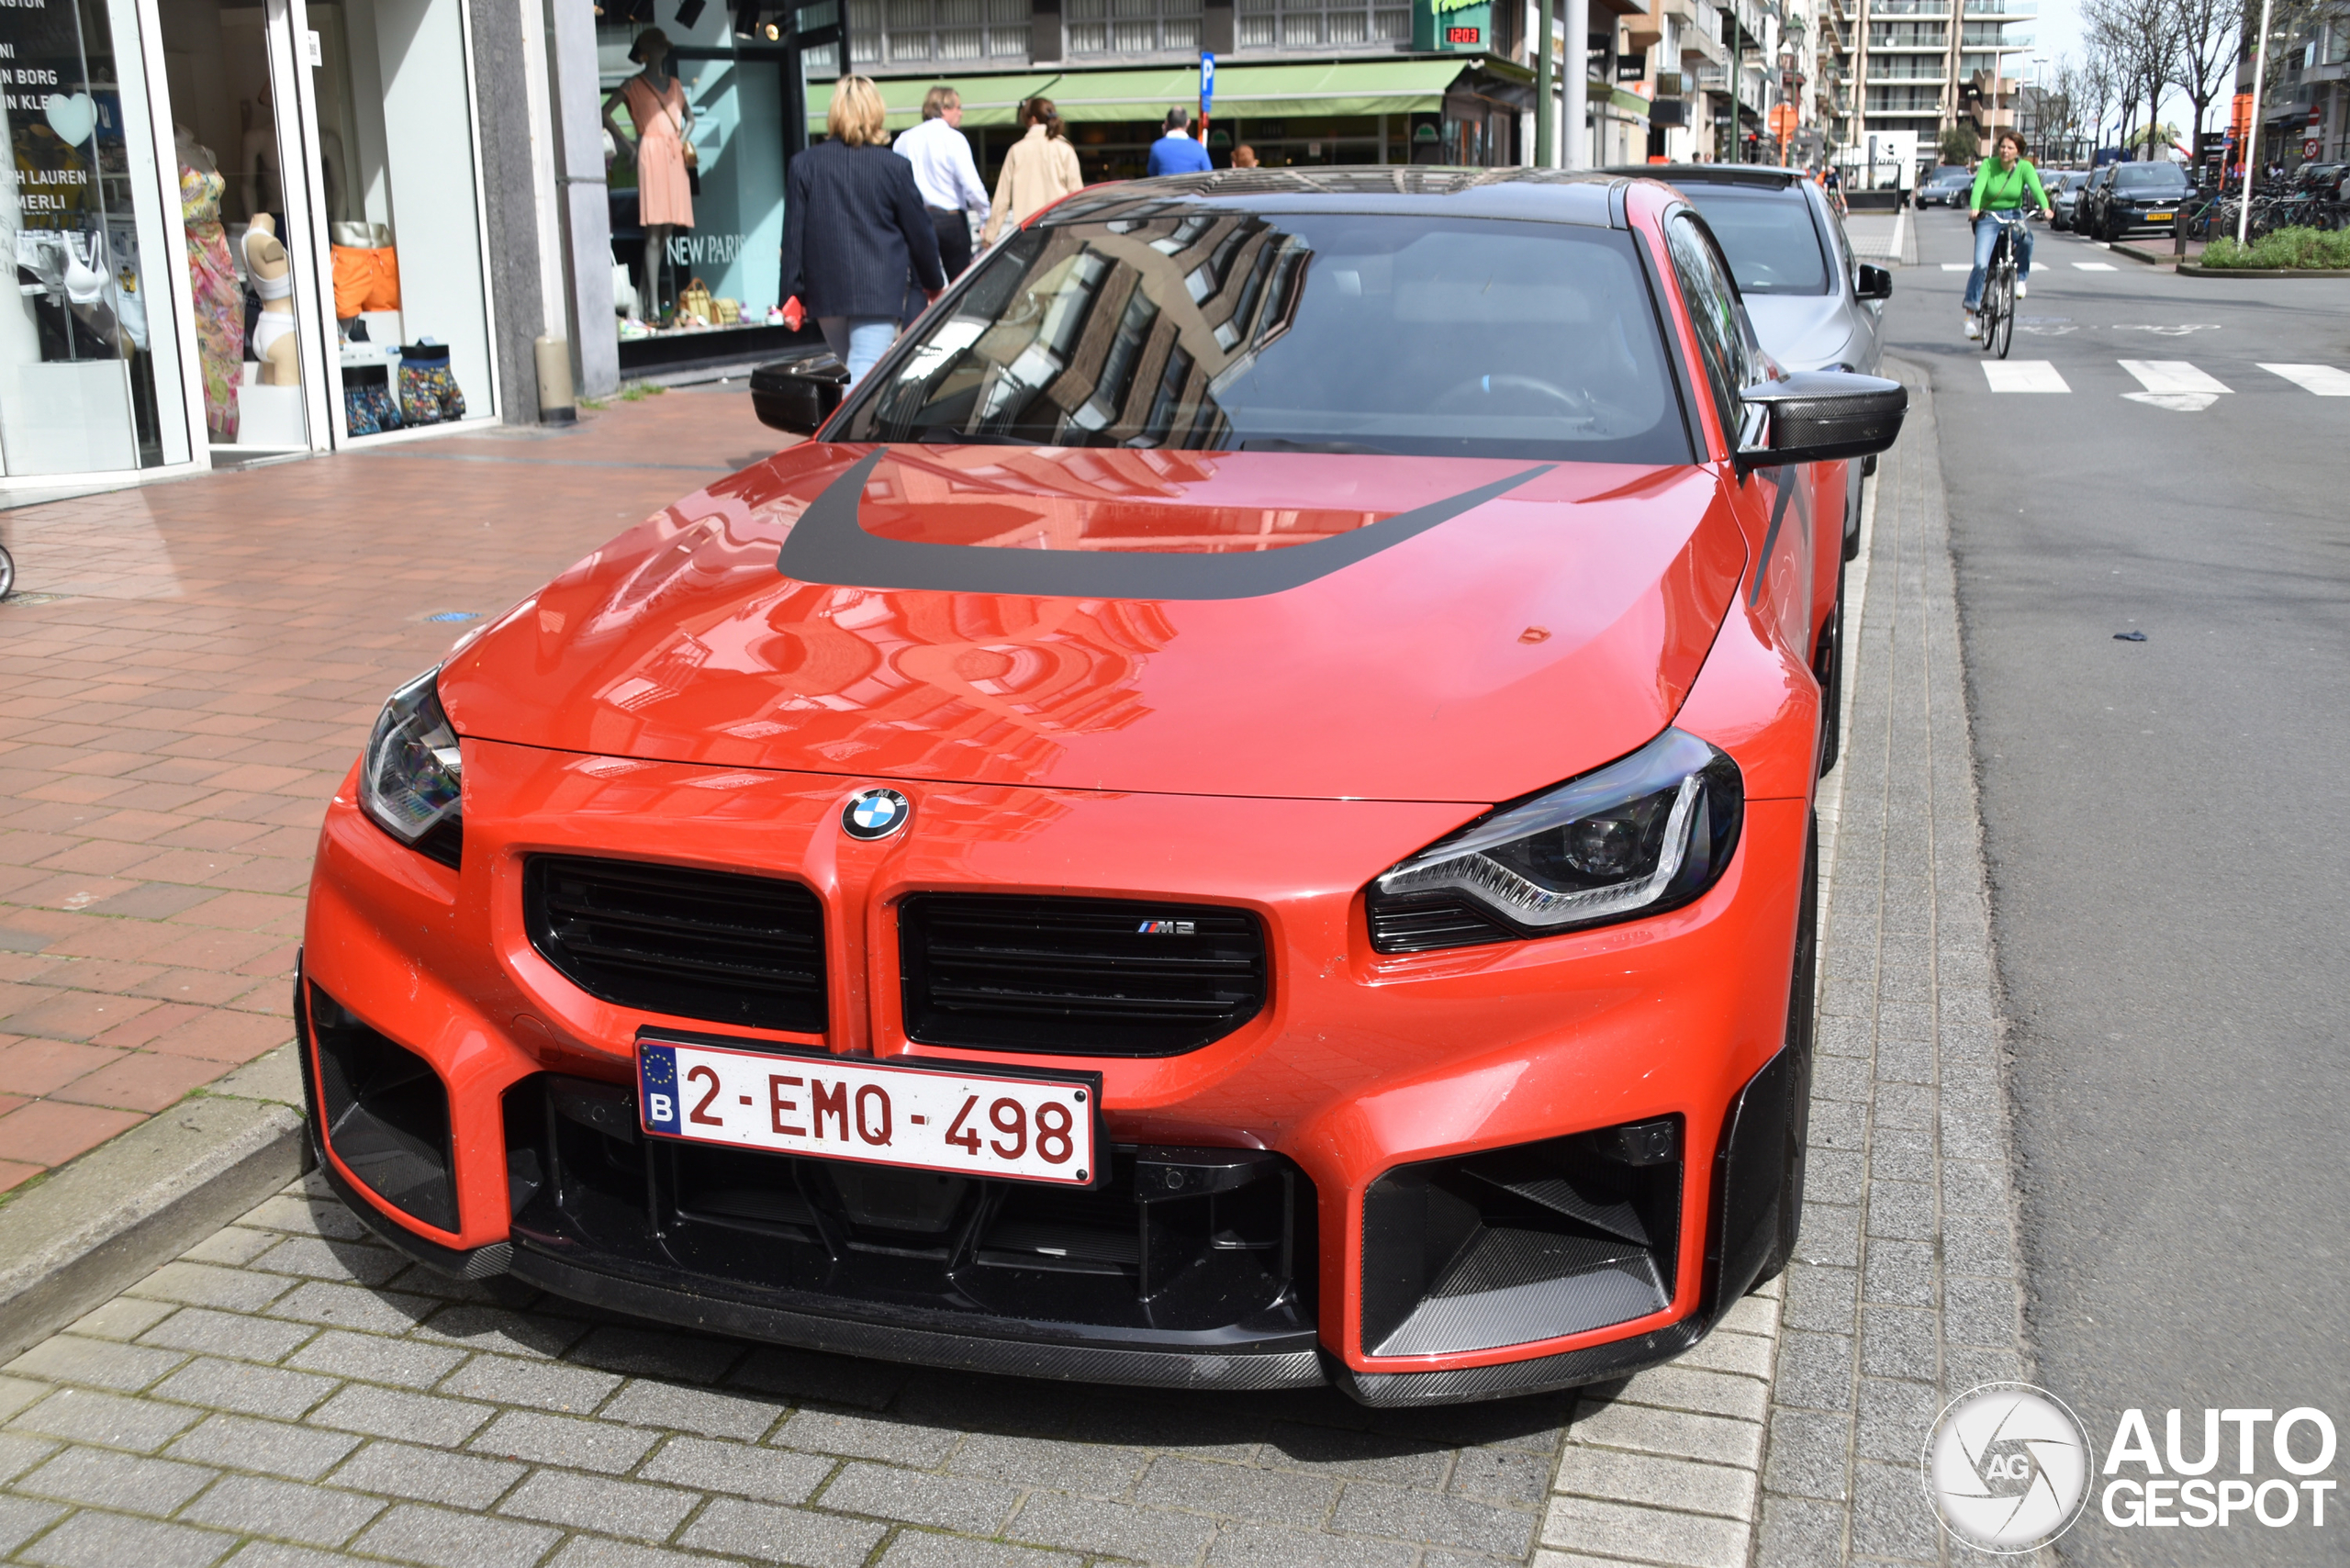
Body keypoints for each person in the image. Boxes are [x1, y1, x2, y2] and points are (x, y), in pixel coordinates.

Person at [780, 76, 945, 386]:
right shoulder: (893, 167)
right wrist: (934, 283)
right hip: (877, 289)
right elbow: (919, 232)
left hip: (826, 290)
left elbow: (793, 236)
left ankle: (867, 430)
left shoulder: (804, 164)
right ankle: (849, 435)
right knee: (865, 372)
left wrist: (791, 292)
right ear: (876, 112)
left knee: (860, 371)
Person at [1962, 131, 2053, 340]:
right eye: (2003, 146)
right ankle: (1970, 318)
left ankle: (2020, 279)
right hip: (1989, 216)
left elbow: (2037, 189)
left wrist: (2046, 208)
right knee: (1981, 265)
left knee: (2027, 239)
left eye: (2010, 148)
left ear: (2018, 151)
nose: (2005, 151)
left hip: (2013, 214)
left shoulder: (2025, 168)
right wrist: (1975, 208)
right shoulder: (1988, 165)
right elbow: (1978, 189)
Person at [894, 84, 990, 282]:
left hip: (917, 217)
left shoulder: (904, 140)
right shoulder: (954, 139)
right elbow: (971, 185)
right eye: (958, 108)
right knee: (960, 284)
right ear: (944, 108)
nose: (961, 114)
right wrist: (985, 215)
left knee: (918, 286)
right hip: (950, 219)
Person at [983, 97, 1082, 245]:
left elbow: (1002, 199)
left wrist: (989, 236)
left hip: (1027, 231)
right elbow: (1078, 196)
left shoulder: (1016, 151)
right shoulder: (1065, 149)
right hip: (1059, 230)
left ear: (1032, 118)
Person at [1147, 107, 1214, 177]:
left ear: (1167, 123)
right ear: (1188, 122)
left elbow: (1152, 173)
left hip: (1165, 188)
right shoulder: (1199, 148)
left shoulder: (1157, 147)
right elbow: (1208, 173)